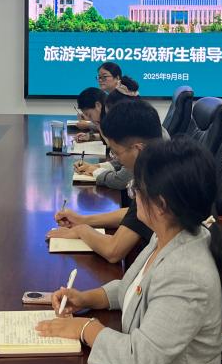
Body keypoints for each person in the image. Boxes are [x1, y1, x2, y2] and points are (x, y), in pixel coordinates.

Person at [37, 139, 222, 364]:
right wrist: (86, 298)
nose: (133, 196)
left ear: (161, 205)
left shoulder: (187, 273)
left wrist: (84, 329)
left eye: (137, 190)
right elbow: (131, 287)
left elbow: (139, 359)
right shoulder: (169, 235)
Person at [50, 99, 161, 262]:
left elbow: (113, 250)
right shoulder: (158, 163)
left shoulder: (158, 181)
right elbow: (133, 214)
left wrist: (81, 230)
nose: (117, 160)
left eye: (116, 153)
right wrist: (83, 220)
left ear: (138, 149)